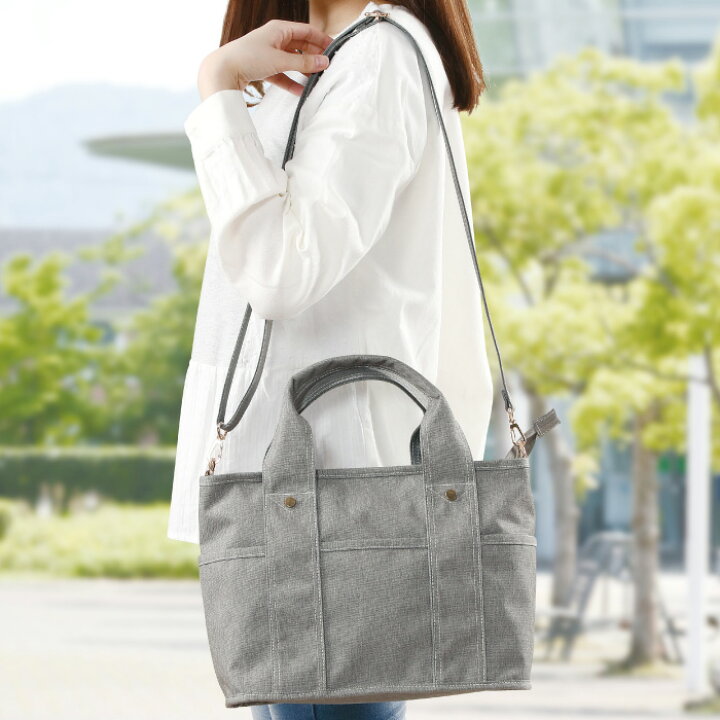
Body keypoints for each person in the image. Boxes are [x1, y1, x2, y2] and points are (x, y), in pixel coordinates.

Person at [169, 1, 492, 718]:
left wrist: (217, 84)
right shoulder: (350, 52)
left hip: (330, 499)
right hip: (318, 491)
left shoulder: (379, 56)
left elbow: (280, 271)